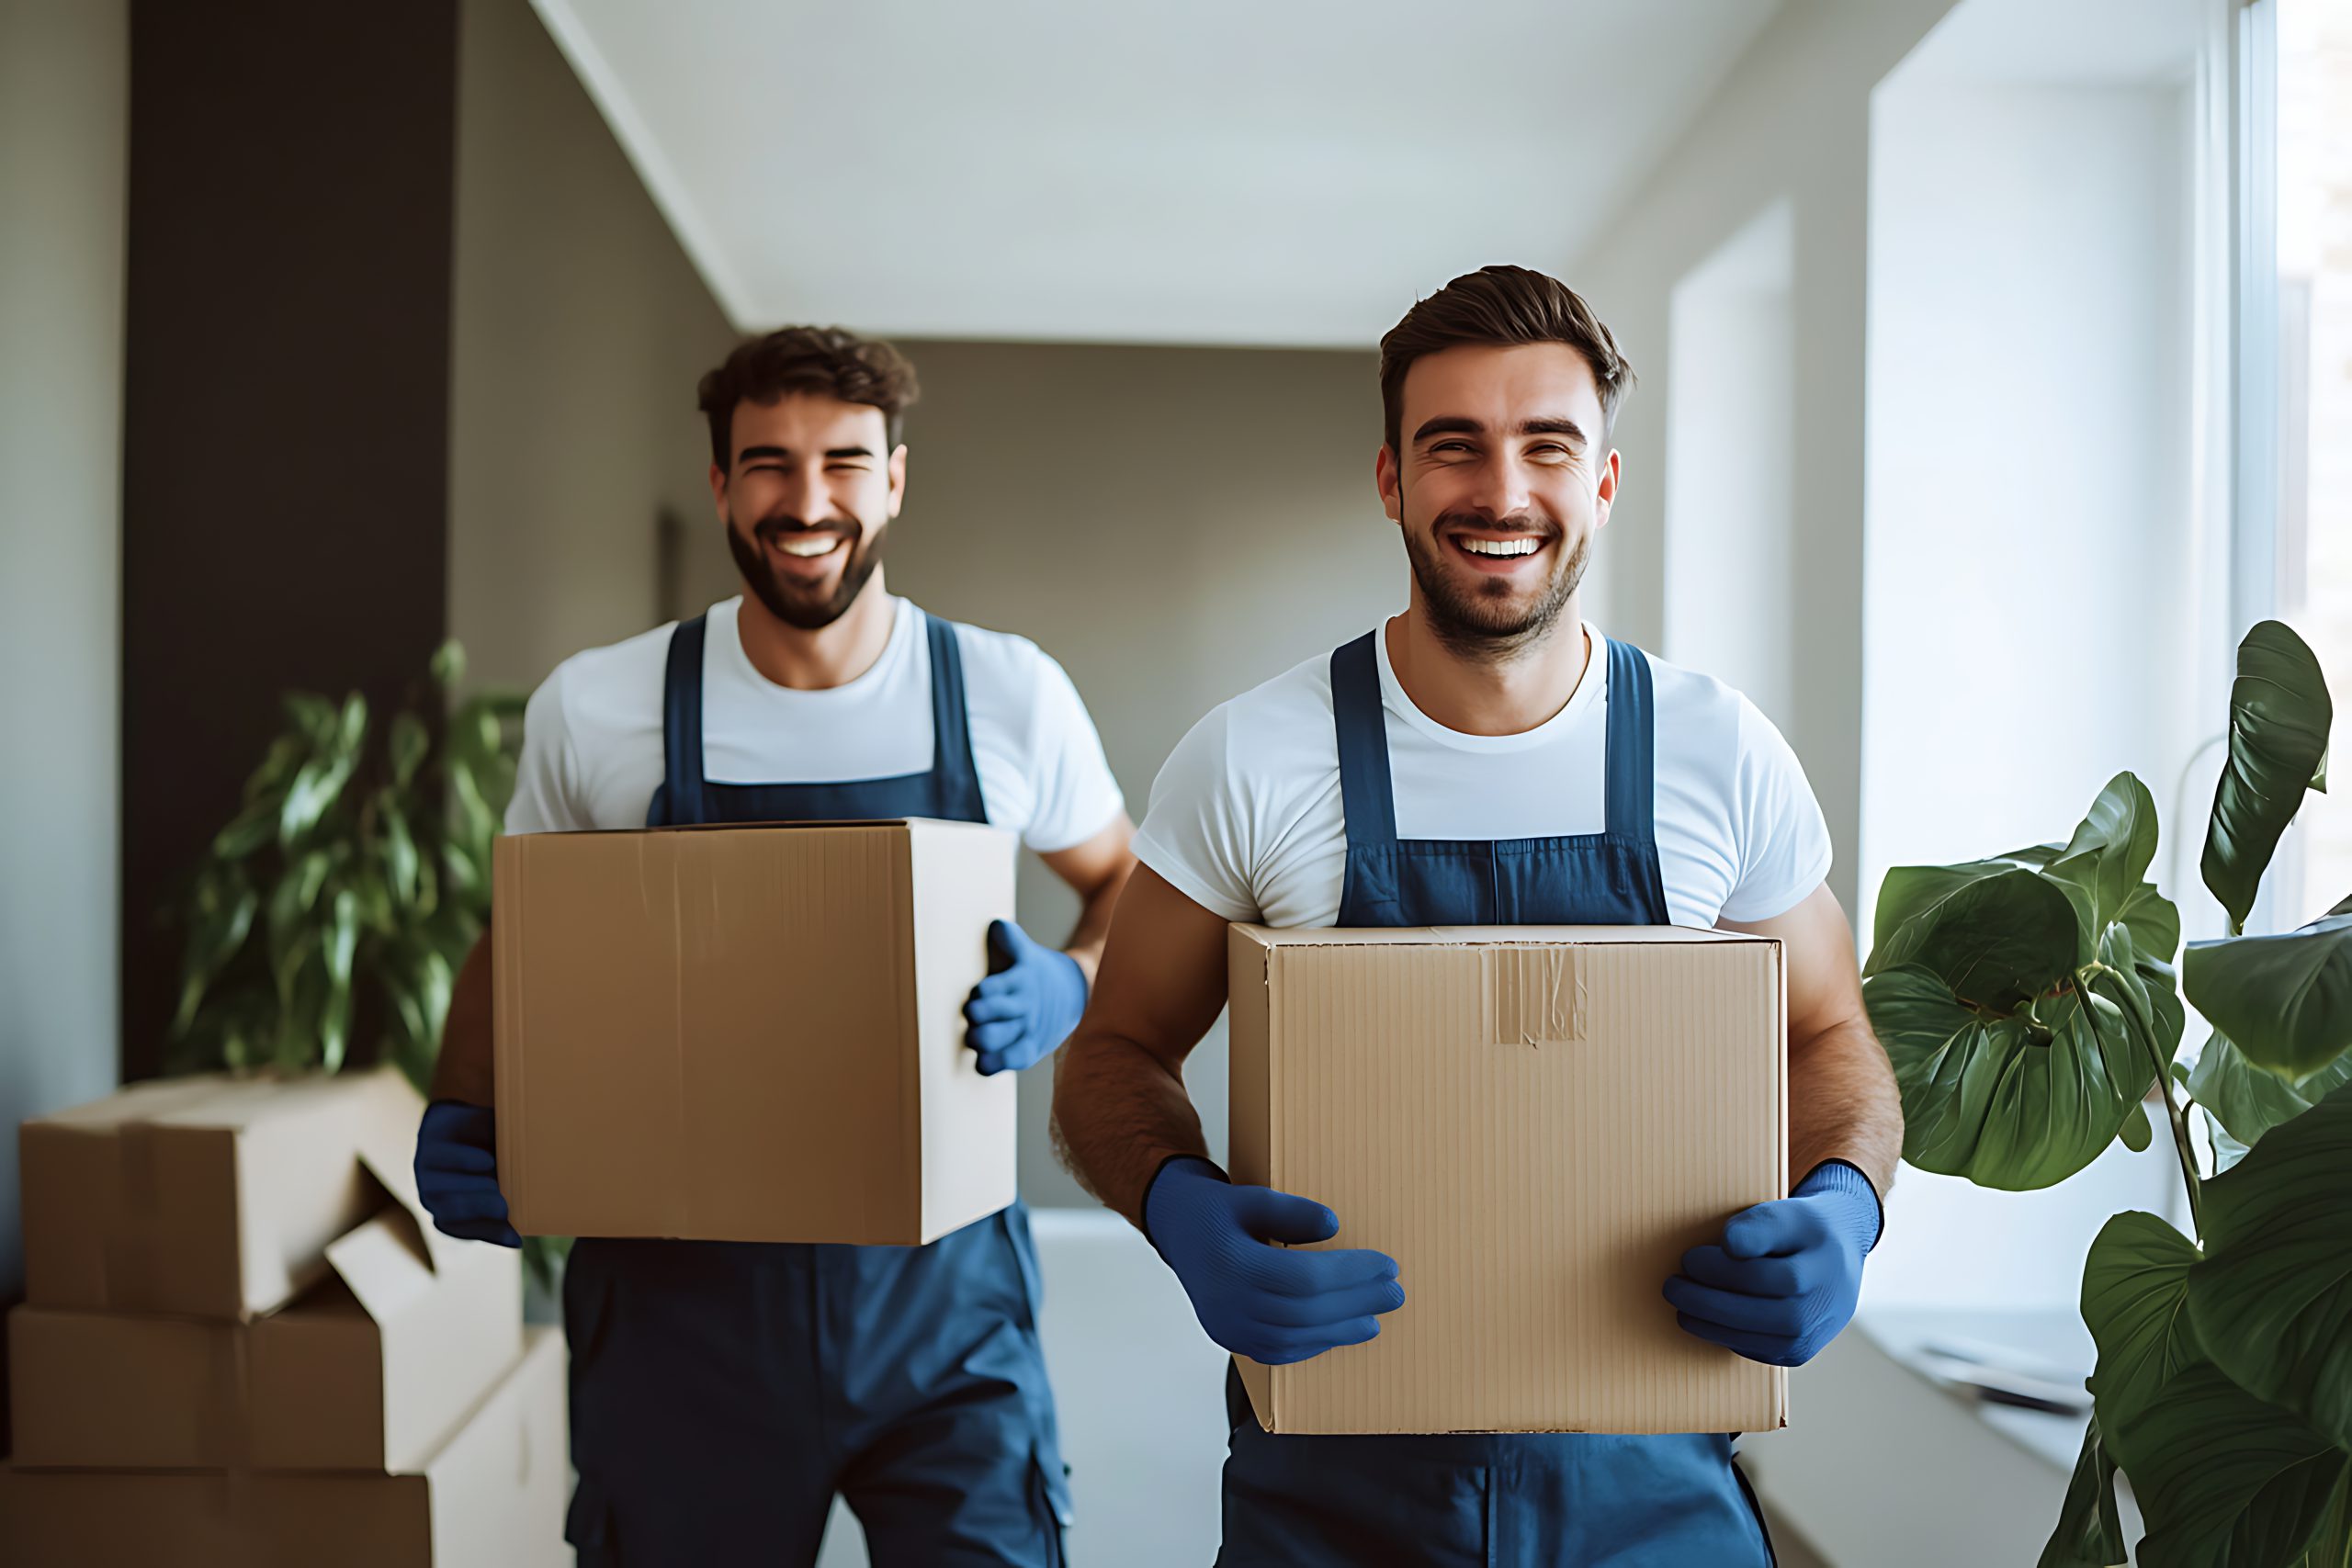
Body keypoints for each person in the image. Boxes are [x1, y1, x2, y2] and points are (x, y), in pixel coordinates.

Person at [1051, 265, 1900, 1565]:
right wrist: (1178, 1208)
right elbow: (1112, 1052)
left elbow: (1830, 1032)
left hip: (1657, 1489)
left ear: (1602, 484)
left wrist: (1845, 1206)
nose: (1502, 493)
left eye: (1547, 448)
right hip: (1329, 1493)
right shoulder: (1255, 760)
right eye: (1454, 448)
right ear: (1392, 480)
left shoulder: (1718, 754)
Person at [414, 327, 1136, 1567]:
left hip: (944, 1309)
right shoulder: (603, 707)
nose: (808, 502)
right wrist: (459, 1104)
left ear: (896, 479)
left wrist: (1076, 977)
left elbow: (1122, 883)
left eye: (845, 463)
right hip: (680, 1315)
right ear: (720, 487)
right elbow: (519, 930)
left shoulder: (1007, 694)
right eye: (768, 464)